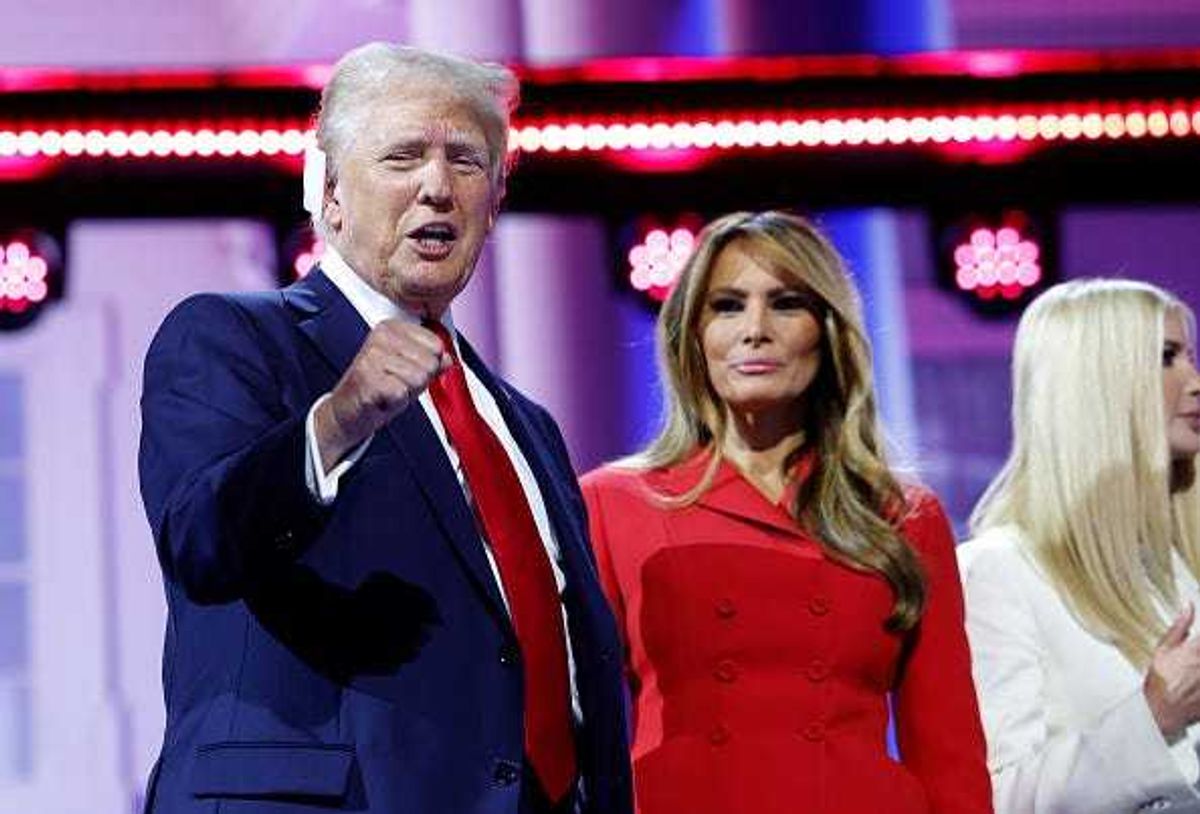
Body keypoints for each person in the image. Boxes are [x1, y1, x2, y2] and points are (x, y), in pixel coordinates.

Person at [138, 43, 632, 814]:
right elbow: (203, 540)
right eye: (403, 157)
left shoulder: (527, 427)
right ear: (330, 192)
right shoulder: (233, 337)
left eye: (466, 161)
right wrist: (335, 422)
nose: (437, 187)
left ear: (495, 200)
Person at [580, 211, 993, 814]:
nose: (755, 330)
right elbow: (569, 724)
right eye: (726, 305)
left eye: (786, 303)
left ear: (826, 331)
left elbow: (950, 753)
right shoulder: (614, 504)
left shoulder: (902, 516)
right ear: (692, 336)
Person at [959, 278, 1200, 813]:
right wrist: (1153, 715)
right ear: (1098, 384)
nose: (1194, 380)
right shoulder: (999, 573)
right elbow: (1001, 798)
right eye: (1165, 358)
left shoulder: (1183, 563)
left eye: (1188, 354)